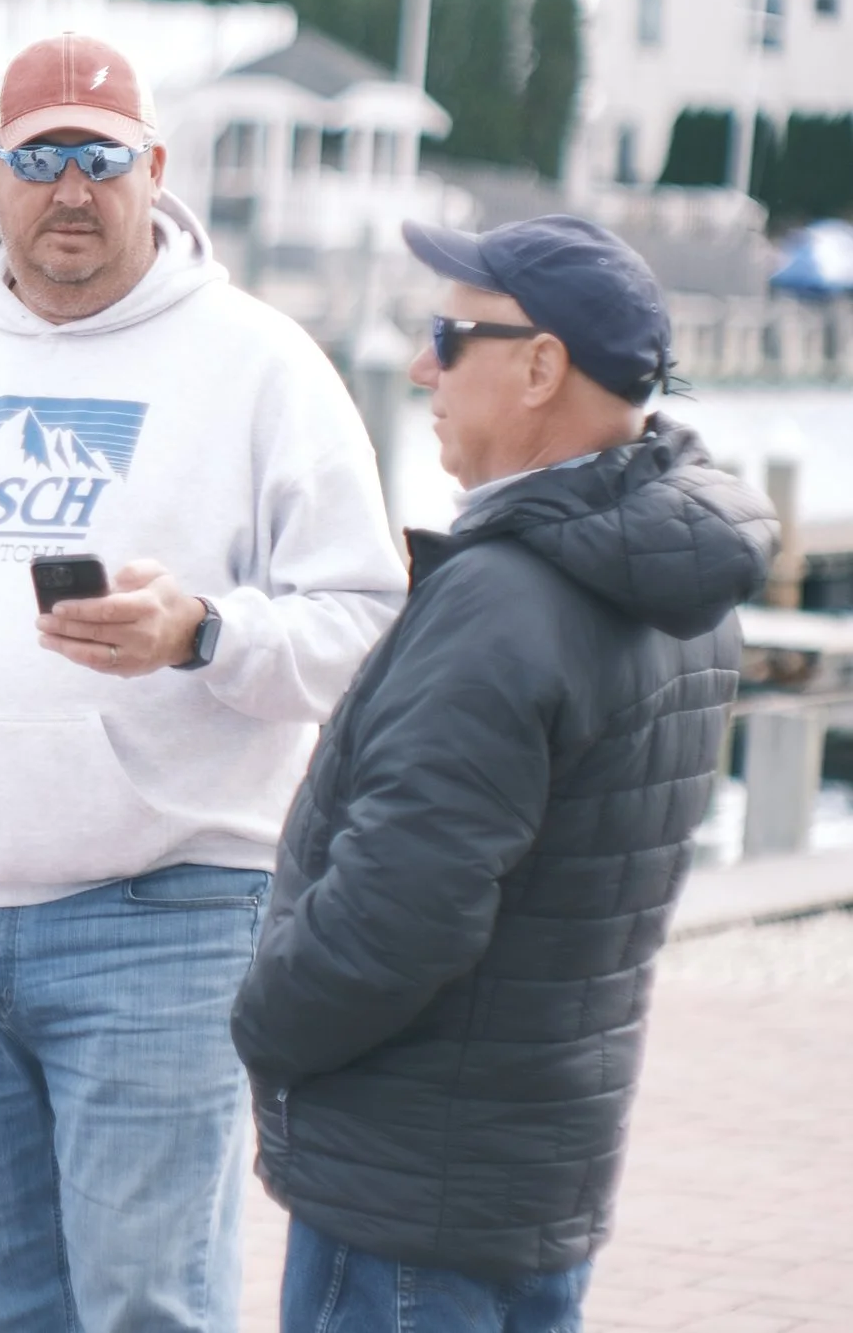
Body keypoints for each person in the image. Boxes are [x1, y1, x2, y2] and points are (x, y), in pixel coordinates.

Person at [0, 32, 407, 1333]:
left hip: (163, 916)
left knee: (145, 1302)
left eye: (100, 158)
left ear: (156, 168)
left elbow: (365, 620)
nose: (70, 188)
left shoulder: (262, 364)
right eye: (39, 159)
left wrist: (202, 632)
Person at [232, 215, 778, 1333]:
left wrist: (259, 1019)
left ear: (539, 368)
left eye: (447, 336)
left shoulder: (504, 602)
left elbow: (399, 915)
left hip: (410, 1192)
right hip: (536, 1168)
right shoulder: (670, 581)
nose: (420, 365)